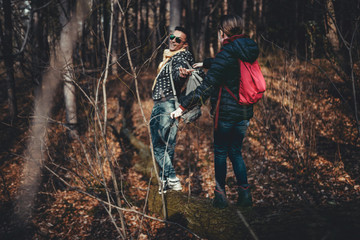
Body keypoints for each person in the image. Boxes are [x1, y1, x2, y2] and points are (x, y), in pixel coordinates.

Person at [171, 15, 259, 208]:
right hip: (245, 112)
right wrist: (206, 63)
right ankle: (245, 195)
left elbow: (207, 87)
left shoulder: (227, 52)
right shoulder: (247, 48)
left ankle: (220, 196)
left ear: (223, 32)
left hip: (226, 113)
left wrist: (182, 106)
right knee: (235, 152)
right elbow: (230, 66)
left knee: (220, 152)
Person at [150, 26, 194, 194]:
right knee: (168, 148)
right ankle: (165, 182)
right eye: (171, 37)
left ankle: (172, 179)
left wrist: (181, 74)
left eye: (178, 40)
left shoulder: (182, 55)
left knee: (158, 146)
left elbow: (179, 71)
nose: (173, 41)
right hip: (172, 106)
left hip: (165, 104)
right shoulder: (168, 58)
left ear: (185, 45)